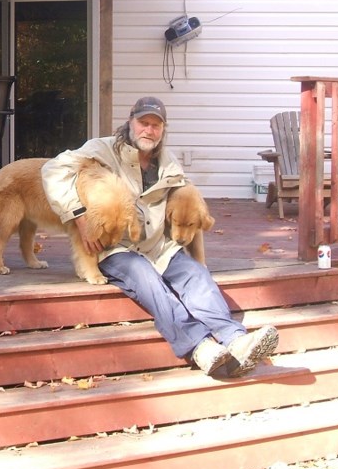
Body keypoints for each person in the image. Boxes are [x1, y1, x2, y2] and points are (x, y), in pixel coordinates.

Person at [41, 96, 278, 377]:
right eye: (143, 123)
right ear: (131, 122)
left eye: (156, 125)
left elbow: (189, 199)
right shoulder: (102, 148)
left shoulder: (168, 162)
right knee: (149, 282)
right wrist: (79, 217)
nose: (148, 130)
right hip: (117, 247)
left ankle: (237, 340)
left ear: (163, 129)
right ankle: (201, 348)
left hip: (158, 245)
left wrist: (198, 254)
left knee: (195, 276)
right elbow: (52, 170)